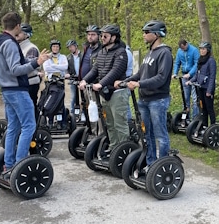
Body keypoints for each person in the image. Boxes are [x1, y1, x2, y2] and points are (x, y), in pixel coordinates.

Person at [0, 12, 49, 179]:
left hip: (7, 90)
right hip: (17, 90)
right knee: (29, 126)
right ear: (17, 26)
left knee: (14, 127)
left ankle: (9, 165)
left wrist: (37, 60)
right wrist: (36, 63)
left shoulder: (1, 41)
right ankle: (19, 165)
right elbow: (15, 70)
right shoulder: (11, 44)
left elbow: (17, 65)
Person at [119, 20, 172, 165]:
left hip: (157, 100)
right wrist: (123, 81)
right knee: (146, 134)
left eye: (146, 32)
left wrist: (139, 84)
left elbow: (161, 78)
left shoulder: (165, 53)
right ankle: (151, 164)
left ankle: (162, 165)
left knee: (160, 136)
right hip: (144, 100)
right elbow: (140, 74)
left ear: (156, 34)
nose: (143, 35)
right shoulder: (150, 53)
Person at [79, 24, 129, 152]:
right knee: (109, 124)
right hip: (104, 93)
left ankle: (123, 150)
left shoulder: (121, 52)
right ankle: (113, 147)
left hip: (117, 92)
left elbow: (116, 71)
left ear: (114, 37)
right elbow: (95, 69)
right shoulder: (102, 52)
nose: (102, 38)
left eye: (105, 36)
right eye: (101, 36)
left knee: (120, 124)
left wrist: (101, 83)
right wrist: (85, 80)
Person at [188, 42, 217, 128]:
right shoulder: (200, 60)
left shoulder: (211, 61)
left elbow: (212, 76)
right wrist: (191, 81)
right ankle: (204, 126)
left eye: (203, 49)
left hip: (207, 88)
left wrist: (209, 90)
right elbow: (197, 74)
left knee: (209, 108)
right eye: (200, 49)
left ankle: (213, 126)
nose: (201, 50)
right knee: (202, 108)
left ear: (207, 50)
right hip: (200, 87)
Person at [43, 39, 69, 128]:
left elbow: (65, 67)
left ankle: (59, 121)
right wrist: (59, 67)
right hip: (50, 82)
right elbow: (46, 69)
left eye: (57, 46)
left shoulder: (63, 57)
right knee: (50, 101)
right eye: (53, 46)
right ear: (51, 48)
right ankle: (50, 121)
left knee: (60, 102)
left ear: (59, 48)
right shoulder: (47, 57)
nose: (55, 48)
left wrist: (53, 66)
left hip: (60, 81)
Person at [15, 23, 41, 110]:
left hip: (30, 83)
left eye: (20, 32)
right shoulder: (18, 47)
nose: (17, 34)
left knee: (29, 109)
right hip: (21, 83)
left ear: (26, 35)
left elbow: (29, 67)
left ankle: (34, 123)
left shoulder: (31, 48)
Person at [172, 39, 200, 117]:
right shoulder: (179, 51)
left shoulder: (194, 50)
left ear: (186, 44)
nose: (183, 50)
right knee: (185, 97)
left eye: (184, 48)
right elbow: (177, 63)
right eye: (181, 49)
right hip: (184, 76)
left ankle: (195, 117)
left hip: (194, 76)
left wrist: (190, 73)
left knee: (195, 98)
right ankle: (186, 117)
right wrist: (175, 73)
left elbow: (197, 64)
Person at [65, 39, 82, 114]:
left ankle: (85, 113)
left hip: (82, 79)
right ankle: (72, 113)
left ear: (76, 46)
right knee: (73, 97)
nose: (70, 48)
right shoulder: (68, 57)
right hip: (72, 78)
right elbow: (65, 68)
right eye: (69, 47)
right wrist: (67, 74)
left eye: (71, 47)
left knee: (84, 97)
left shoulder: (83, 55)